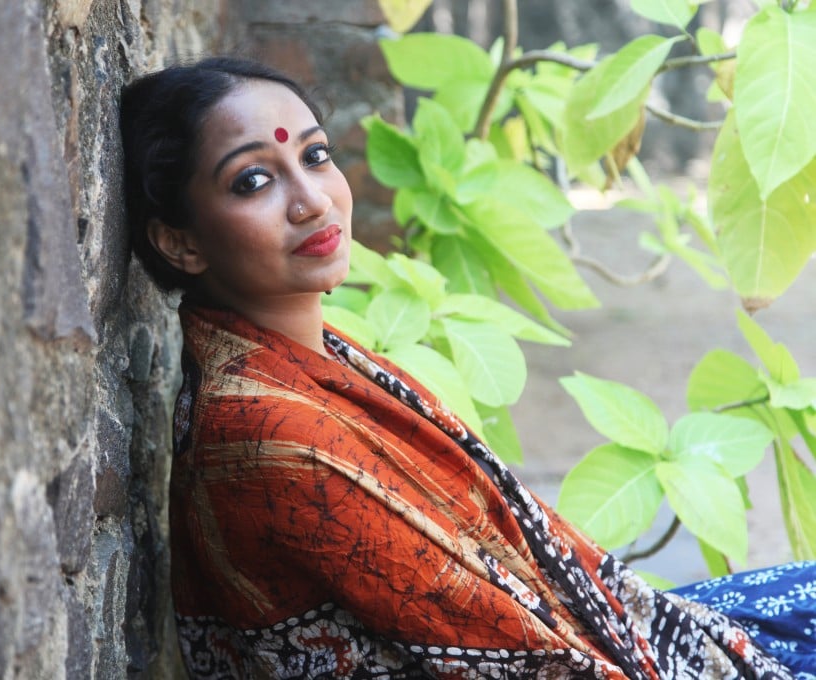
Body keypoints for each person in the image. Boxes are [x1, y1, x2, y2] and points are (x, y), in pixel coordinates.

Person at [119, 57, 814, 679]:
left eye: (316, 155)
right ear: (180, 243)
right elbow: (531, 663)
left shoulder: (303, 361)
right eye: (254, 180)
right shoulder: (271, 438)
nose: (314, 200)